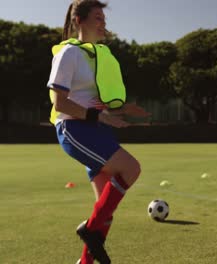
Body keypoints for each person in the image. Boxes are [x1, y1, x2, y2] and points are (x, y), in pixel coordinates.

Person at [47, 1, 150, 263]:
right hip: (74, 129)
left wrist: (124, 108)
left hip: (95, 129)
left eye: (104, 18)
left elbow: (91, 99)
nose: (103, 23)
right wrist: (101, 116)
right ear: (79, 22)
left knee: (105, 209)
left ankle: (85, 261)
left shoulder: (95, 56)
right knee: (131, 168)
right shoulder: (68, 54)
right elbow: (61, 103)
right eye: (97, 18)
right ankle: (89, 231)